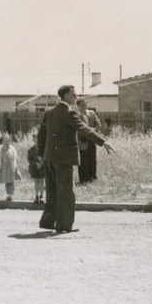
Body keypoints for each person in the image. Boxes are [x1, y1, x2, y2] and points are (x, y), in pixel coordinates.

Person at [37, 84, 115, 233]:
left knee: (52, 191)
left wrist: (41, 154)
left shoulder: (49, 113)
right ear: (65, 95)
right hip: (64, 158)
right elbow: (84, 129)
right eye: (73, 94)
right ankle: (64, 225)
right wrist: (103, 142)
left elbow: (41, 135)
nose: (76, 96)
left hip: (49, 157)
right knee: (66, 191)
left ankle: (48, 222)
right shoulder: (69, 112)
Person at [75, 97, 102, 184]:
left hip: (92, 140)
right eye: (82, 105)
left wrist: (92, 130)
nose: (84, 107)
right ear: (78, 106)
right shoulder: (76, 115)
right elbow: (77, 128)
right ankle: (84, 180)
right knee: (83, 161)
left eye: (85, 104)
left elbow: (98, 124)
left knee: (92, 159)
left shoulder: (92, 113)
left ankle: (93, 178)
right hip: (82, 141)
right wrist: (87, 131)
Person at [0, 133, 21, 201]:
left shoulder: (12, 148)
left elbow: (15, 158)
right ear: (3, 141)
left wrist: (16, 167)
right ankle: (8, 195)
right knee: (6, 181)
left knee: (11, 181)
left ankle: (11, 195)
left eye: (8, 140)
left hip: (11, 166)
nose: (6, 142)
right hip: (4, 166)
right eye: (5, 140)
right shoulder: (0, 149)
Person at [27, 138, 45, 204]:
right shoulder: (31, 150)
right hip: (34, 167)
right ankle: (36, 196)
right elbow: (29, 159)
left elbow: (46, 157)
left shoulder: (44, 148)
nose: (37, 141)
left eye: (38, 139)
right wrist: (36, 163)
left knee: (41, 181)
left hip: (42, 167)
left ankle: (42, 196)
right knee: (36, 181)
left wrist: (41, 163)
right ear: (33, 140)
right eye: (35, 140)